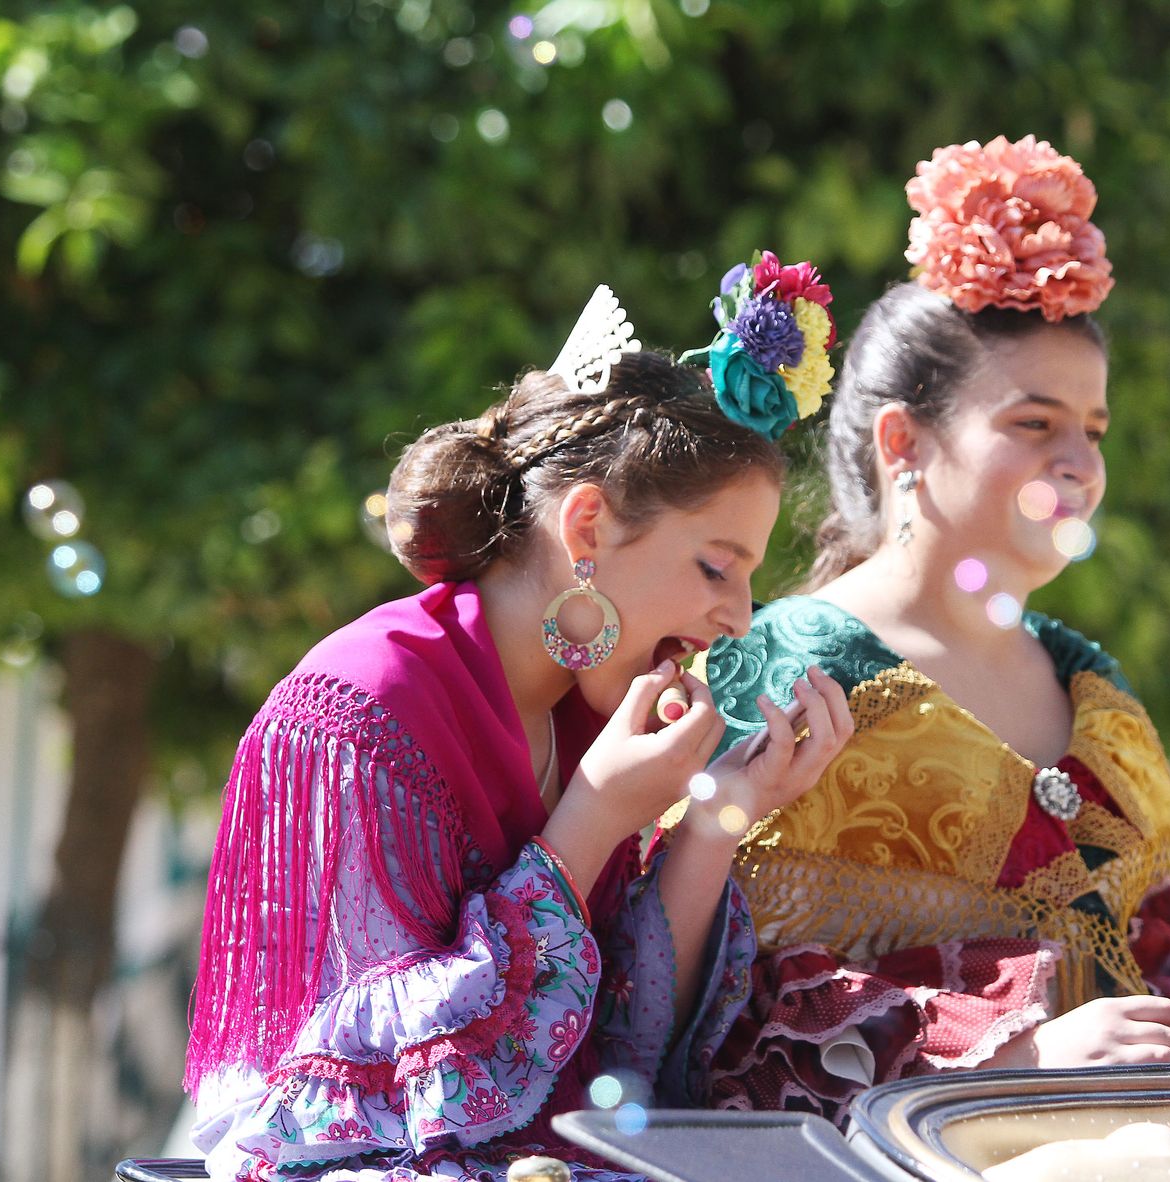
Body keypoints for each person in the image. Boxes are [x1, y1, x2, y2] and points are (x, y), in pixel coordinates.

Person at [184, 272, 854, 1179]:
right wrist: (591, 818)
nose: (739, 616)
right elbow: (373, 1101)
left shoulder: (583, 717)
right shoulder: (362, 711)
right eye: (715, 566)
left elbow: (626, 1061)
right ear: (588, 527)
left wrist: (712, 822)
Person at [700, 137, 1170, 1128]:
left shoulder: (1097, 695)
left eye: (1093, 431)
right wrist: (1016, 1056)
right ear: (904, 442)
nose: (1080, 464)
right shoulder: (780, 670)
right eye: (1033, 423)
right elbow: (706, 1008)